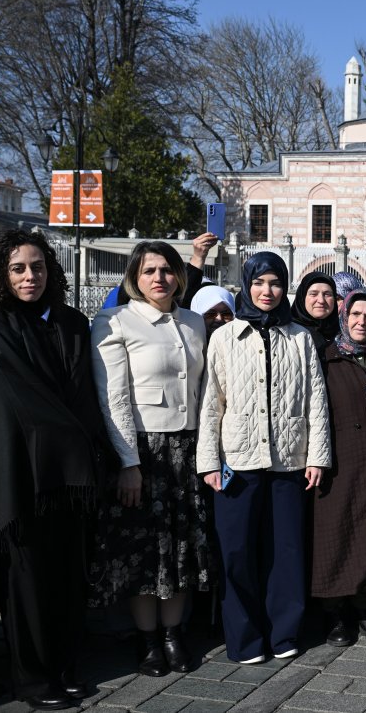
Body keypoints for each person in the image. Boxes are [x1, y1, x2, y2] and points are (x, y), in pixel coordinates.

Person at [0, 230, 112, 709]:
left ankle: (66, 666)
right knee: (26, 584)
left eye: (38, 266)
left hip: (69, 479)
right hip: (21, 476)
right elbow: (16, 397)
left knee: (69, 576)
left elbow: (86, 390)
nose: (30, 277)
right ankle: (32, 679)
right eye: (18, 269)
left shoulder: (71, 320)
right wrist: (73, 432)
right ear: (1, 275)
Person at [196, 252, 331, 664]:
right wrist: (207, 462)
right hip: (237, 460)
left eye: (274, 283)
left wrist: (317, 456)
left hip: (288, 460)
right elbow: (211, 402)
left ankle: (285, 632)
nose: (267, 291)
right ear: (247, 285)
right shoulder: (225, 336)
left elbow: (316, 400)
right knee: (236, 552)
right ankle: (245, 639)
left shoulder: (300, 337)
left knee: (285, 551)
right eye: (259, 283)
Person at [88, 242, 213, 677]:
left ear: (179, 275)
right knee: (144, 552)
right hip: (143, 451)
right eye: (148, 271)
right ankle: (147, 640)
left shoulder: (194, 321)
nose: (159, 278)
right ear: (134, 278)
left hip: (188, 450)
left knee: (181, 547)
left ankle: (174, 634)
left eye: (166, 270)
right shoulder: (116, 320)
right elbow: (114, 399)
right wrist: (128, 462)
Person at [312, 288, 366, 647]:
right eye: (356, 315)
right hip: (338, 463)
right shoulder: (327, 357)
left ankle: (365, 608)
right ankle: (336, 616)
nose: (363, 322)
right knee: (336, 536)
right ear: (344, 317)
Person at [291, 272, 339, 351]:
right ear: (302, 298)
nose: (321, 300)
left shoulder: (344, 334)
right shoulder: (288, 333)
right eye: (313, 294)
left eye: (327, 294)